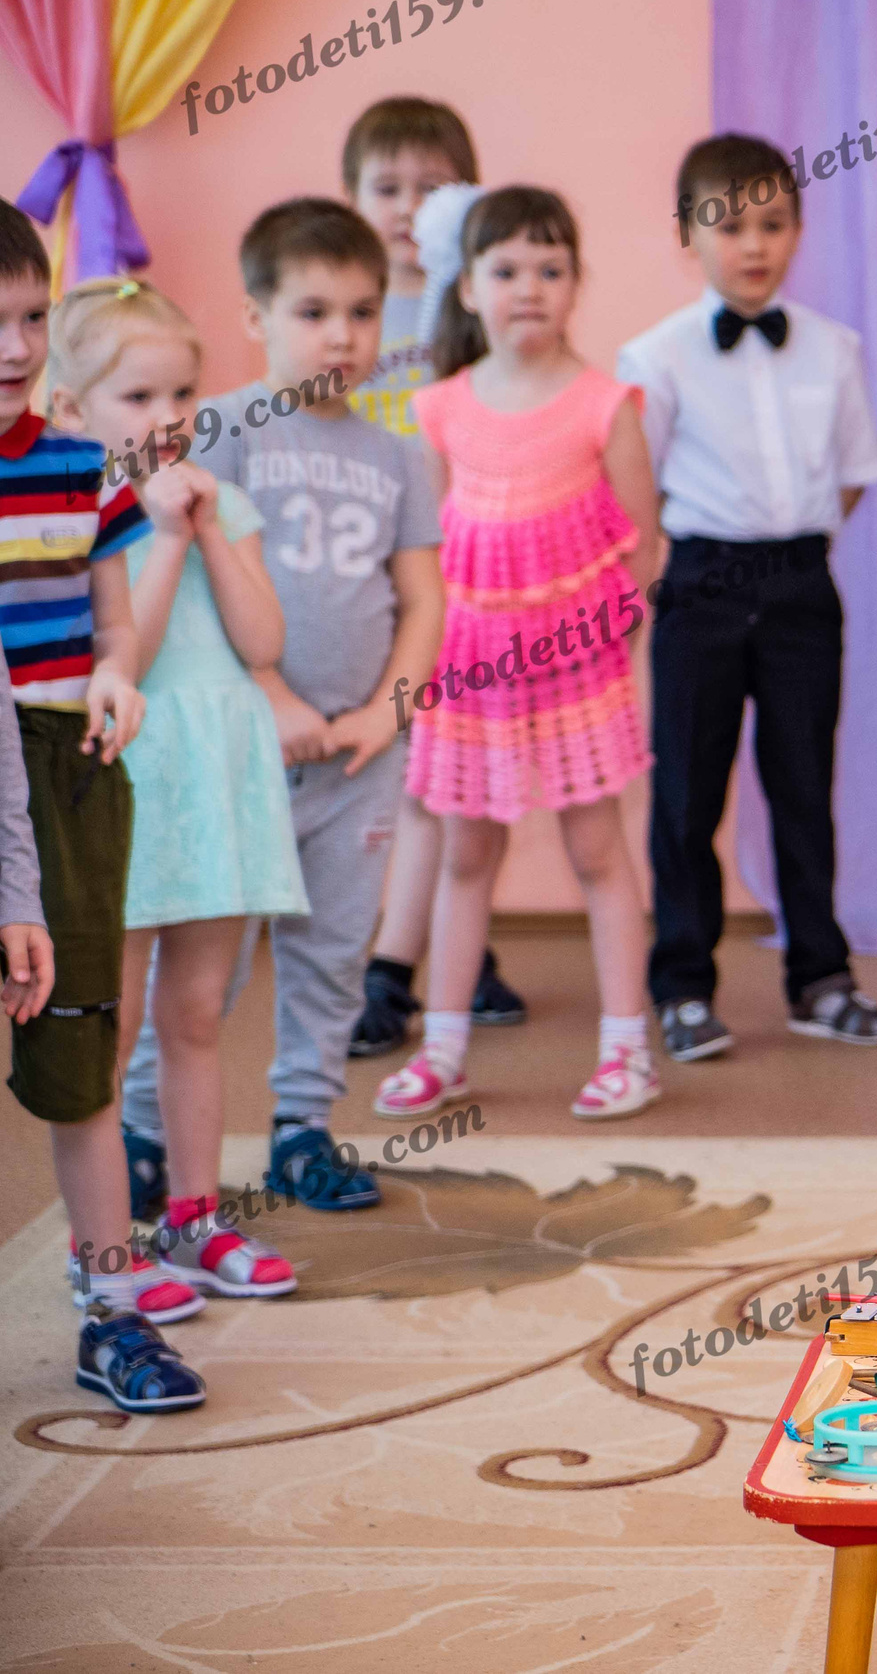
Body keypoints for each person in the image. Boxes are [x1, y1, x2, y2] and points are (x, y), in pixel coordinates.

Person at [122, 201, 444, 1216]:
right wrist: (270, 696)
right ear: (257, 315)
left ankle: (304, 1128)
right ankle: (144, 1131)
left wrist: (385, 715)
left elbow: (425, 597)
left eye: (362, 311)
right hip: (236, 746)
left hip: (356, 758)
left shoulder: (400, 456)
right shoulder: (213, 429)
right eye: (313, 311)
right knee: (199, 964)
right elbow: (198, 583)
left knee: (336, 949)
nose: (342, 336)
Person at [374, 186, 661, 1120]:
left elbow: (643, 548)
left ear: (576, 284)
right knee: (465, 855)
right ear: (467, 290)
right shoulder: (441, 409)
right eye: (505, 270)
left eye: (550, 268)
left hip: (579, 672)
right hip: (469, 674)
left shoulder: (605, 404)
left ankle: (627, 1050)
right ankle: (444, 1046)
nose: (528, 287)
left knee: (598, 850)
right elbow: (424, 555)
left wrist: (602, 637)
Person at [619, 135, 877, 1061]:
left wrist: (793, 547)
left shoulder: (834, 347)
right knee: (686, 794)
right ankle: (683, 987)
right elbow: (637, 486)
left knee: (801, 787)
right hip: (700, 581)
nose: (753, 244)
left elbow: (852, 476)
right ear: (685, 234)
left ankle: (821, 979)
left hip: (799, 584)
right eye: (728, 224)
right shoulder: (654, 355)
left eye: (773, 223)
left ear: (799, 230)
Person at [50, 278, 305, 1301]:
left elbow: (265, 642)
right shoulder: (75, 517)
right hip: (126, 782)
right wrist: (153, 536)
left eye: (183, 394)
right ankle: (101, 1244)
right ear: (73, 408)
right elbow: (132, 659)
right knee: (107, 1022)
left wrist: (201, 528)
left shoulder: (218, 501)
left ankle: (197, 1218)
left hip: (218, 784)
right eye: (139, 397)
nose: (168, 420)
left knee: (198, 1013)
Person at [0, 202, 200, 1411]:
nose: (14, 348)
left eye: (30, 319)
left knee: (85, 1047)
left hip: (71, 771)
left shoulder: (84, 469)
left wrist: (115, 677)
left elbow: (114, 621)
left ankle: (114, 1310)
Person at [336, 96, 528, 1053]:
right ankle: (388, 961)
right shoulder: (350, 313)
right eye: (387, 188)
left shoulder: (478, 307)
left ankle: (453, 951)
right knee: (398, 782)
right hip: (375, 584)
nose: (409, 207)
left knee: (461, 777)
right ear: (351, 199)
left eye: (433, 188)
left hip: (472, 583)